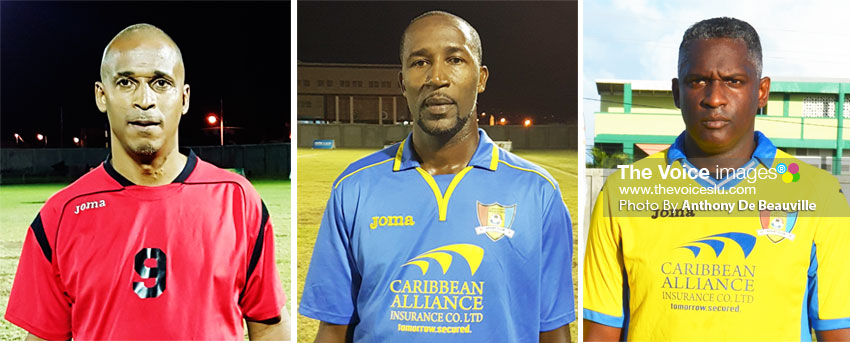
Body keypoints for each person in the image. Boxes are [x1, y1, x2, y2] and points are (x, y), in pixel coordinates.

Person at [299, 10, 575, 343]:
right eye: (420, 63)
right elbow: (332, 329)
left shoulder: (538, 192)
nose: (436, 77)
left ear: (481, 77)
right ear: (402, 83)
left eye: (455, 59)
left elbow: (553, 330)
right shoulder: (354, 188)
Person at [4, 24, 289, 340]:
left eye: (161, 82)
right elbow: (45, 337)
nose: (144, 99)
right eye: (126, 82)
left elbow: (269, 325)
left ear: (184, 98)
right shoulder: (60, 215)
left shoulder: (237, 201)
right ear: (102, 95)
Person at [583, 17, 850, 342]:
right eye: (697, 81)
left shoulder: (818, 195)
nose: (714, 98)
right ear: (676, 92)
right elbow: (599, 331)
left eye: (733, 81)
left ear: (762, 91)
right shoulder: (623, 192)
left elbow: (837, 332)